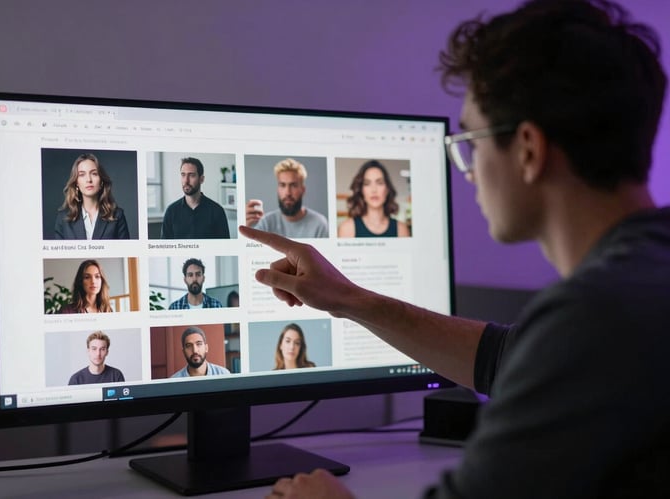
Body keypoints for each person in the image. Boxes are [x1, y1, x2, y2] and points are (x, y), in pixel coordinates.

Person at [245, 1, 670, 497]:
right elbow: (506, 357)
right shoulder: (642, 282)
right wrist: (346, 299)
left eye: (472, 141)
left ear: (529, 150)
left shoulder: (596, 314)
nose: (468, 171)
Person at [245, 158, 329, 238]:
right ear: (278, 189)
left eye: (293, 185)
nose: (288, 192)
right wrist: (245, 228)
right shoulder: (266, 222)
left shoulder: (319, 224)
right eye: (282, 185)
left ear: (303, 190)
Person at [54, 153, 130, 240]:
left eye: (94, 173)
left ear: (101, 181)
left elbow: (128, 253)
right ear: (76, 183)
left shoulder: (117, 215)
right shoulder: (63, 218)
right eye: (82, 175)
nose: (89, 180)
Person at [338, 160, 411, 238]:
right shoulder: (347, 229)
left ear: (387, 189)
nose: (374, 190)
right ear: (361, 190)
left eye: (379, 183)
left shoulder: (401, 230)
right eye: (367, 184)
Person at [161, 157, 230, 239]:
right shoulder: (171, 211)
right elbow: (164, 249)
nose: (186, 181)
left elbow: (225, 248)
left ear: (201, 179)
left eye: (191, 175)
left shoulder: (217, 211)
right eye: (183, 175)